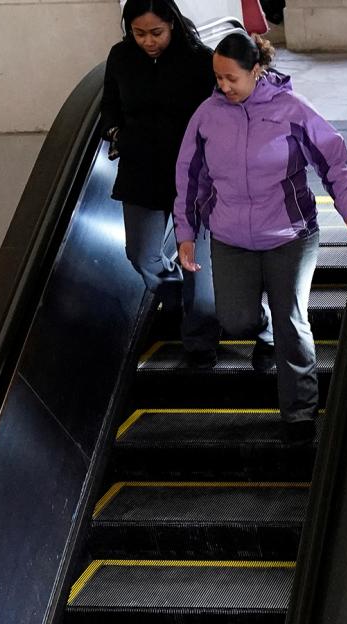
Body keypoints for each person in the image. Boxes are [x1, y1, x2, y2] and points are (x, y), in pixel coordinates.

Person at [175, 33, 347, 445]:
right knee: (235, 320)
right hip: (230, 236)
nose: (224, 87)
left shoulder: (292, 110)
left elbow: (333, 158)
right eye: (218, 78)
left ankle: (300, 415)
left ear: (257, 71)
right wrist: (186, 232)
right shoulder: (207, 115)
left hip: (290, 234)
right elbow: (189, 176)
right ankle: (263, 327)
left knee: (293, 319)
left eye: (232, 78)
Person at [104, 0, 222, 367]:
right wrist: (116, 132)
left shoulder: (200, 60)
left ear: (172, 24)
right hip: (141, 171)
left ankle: (200, 342)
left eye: (156, 33)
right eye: (139, 34)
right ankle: (175, 296)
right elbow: (110, 105)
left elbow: (221, 112)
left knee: (201, 278)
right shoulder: (121, 57)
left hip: (194, 176)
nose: (148, 42)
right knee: (141, 255)